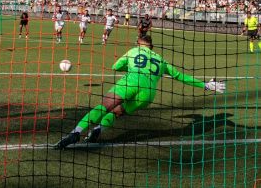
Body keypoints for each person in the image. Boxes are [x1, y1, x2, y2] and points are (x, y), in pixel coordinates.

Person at [54, 35, 226, 149]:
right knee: (117, 112)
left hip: (130, 83)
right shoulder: (161, 59)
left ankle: (75, 133)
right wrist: (205, 85)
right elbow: (181, 77)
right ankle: (98, 130)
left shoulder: (133, 51)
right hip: (148, 94)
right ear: (152, 46)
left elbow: (115, 67)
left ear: (139, 43)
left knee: (103, 107)